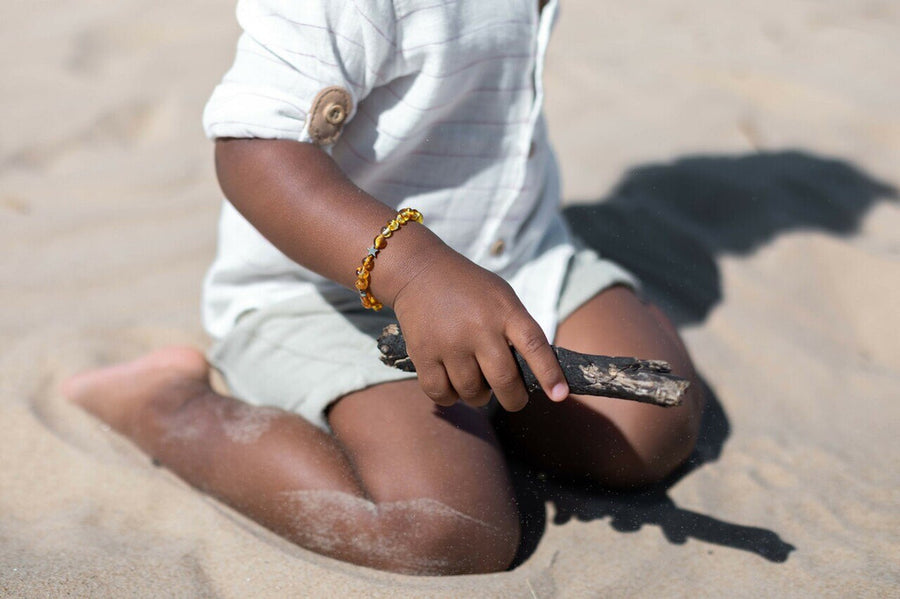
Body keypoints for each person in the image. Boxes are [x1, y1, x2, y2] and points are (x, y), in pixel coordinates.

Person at [63, 0, 704, 576]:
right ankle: (163, 405)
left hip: (513, 255)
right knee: (446, 529)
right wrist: (416, 272)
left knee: (648, 434)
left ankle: (473, 420)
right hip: (327, 292)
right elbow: (255, 148)